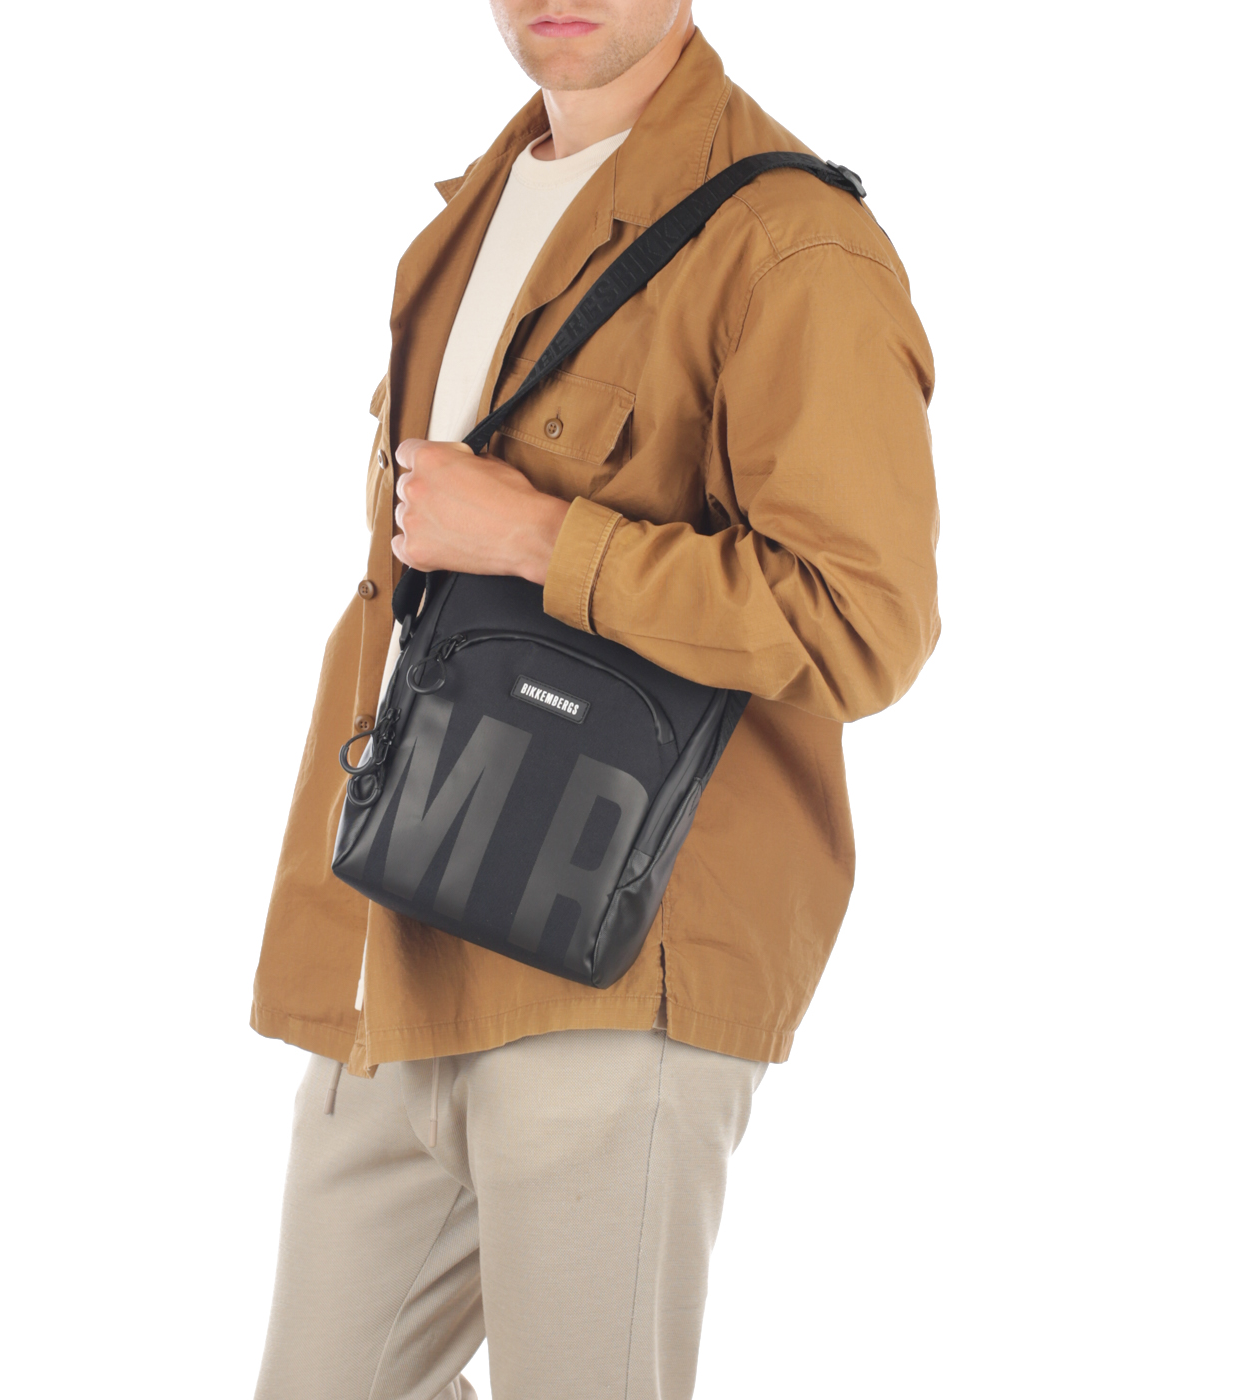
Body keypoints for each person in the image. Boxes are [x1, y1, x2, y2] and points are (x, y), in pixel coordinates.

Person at [250, 4, 939, 1396]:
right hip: (407, 924)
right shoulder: (476, 212)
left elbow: (865, 622)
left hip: (617, 963)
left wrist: (541, 539)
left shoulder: (789, 243)